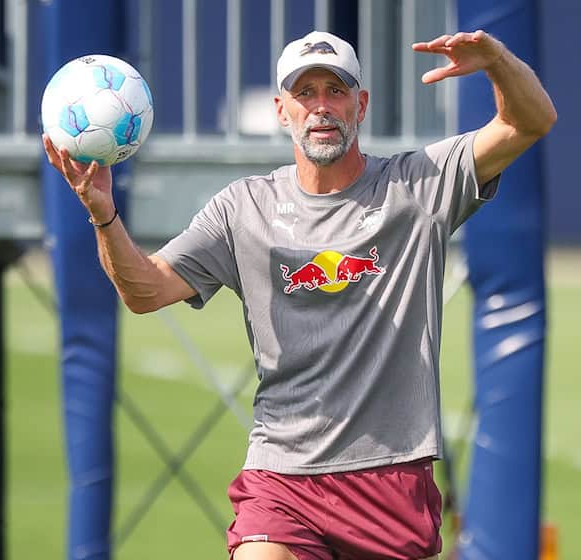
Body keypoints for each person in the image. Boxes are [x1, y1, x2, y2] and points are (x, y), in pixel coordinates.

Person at [43, 29, 555, 560]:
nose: (321, 108)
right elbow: (145, 290)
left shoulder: (418, 184)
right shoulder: (242, 208)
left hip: (391, 481)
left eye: (335, 92)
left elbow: (530, 121)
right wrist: (103, 213)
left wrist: (497, 60)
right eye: (304, 93)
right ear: (281, 110)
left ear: (361, 105)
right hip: (282, 479)